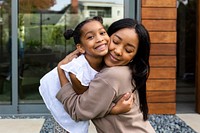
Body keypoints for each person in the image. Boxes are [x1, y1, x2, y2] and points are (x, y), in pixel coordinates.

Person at [56, 18, 155, 133]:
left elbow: (77, 111)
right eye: (116, 41)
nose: (118, 51)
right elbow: (94, 104)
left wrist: (61, 70)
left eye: (128, 50)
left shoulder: (112, 76)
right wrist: (113, 109)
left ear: (134, 56)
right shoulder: (127, 70)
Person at [39, 16, 133, 133]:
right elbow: (86, 104)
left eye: (102, 33)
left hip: (73, 92)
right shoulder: (78, 71)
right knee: (71, 127)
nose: (99, 39)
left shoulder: (108, 56)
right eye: (90, 37)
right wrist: (113, 109)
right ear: (81, 48)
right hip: (56, 90)